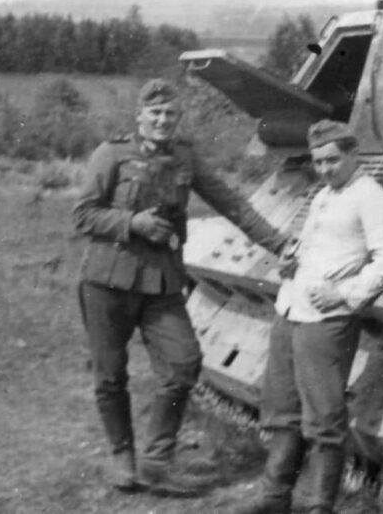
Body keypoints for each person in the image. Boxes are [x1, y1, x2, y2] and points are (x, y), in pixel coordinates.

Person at [73, 79, 288, 496]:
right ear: (140, 116)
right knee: (109, 375)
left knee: (183, 363)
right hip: (107, 281)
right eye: (155, 113)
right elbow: (84, 215)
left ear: (178, 118)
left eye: (170, 114)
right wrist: (131, 223)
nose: (163, 121)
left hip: (161, 282)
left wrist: (281, 245)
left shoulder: (187, 157)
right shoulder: (111, 154)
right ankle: (122, 454)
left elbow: (236, 205)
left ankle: (156, 461)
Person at [237, 119, 383, 514]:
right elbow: (319, 245)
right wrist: (292, 261)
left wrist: (345, 294)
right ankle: (274, 498)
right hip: (292, 308)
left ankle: (318, 505)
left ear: (352, 155)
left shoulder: (371, 197)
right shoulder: (325, 194)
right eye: (319, 161)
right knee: (281, 410)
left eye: (332, 160)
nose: (325, 168)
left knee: (324, 420)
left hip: (327, 320)